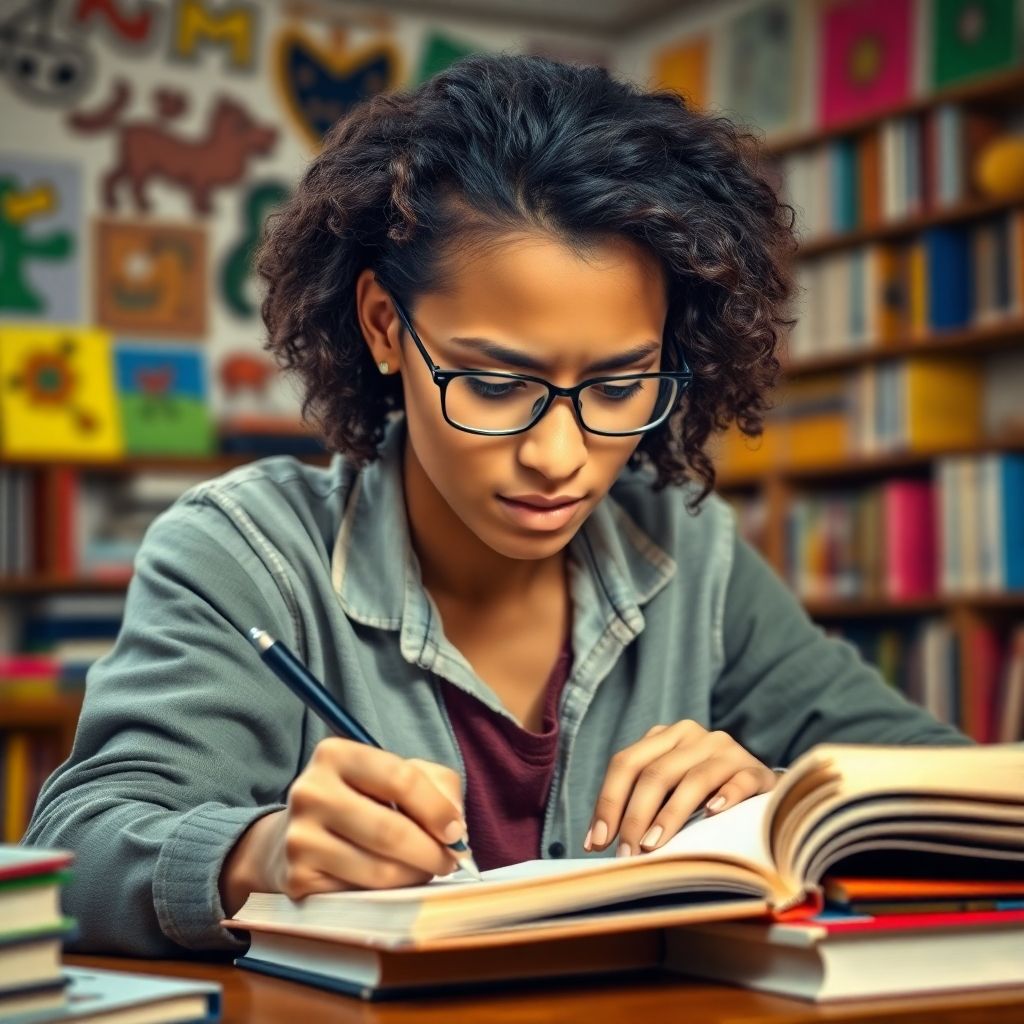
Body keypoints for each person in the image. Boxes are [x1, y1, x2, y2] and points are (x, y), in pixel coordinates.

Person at [25, 53, 968, 957]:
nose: (559, 458)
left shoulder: (686, 550)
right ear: (386, 328)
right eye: (493, 382)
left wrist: (788, 805)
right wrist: (254, 856)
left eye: (619, 385)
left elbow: (956, 792)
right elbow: (75, 849)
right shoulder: (245, 555)